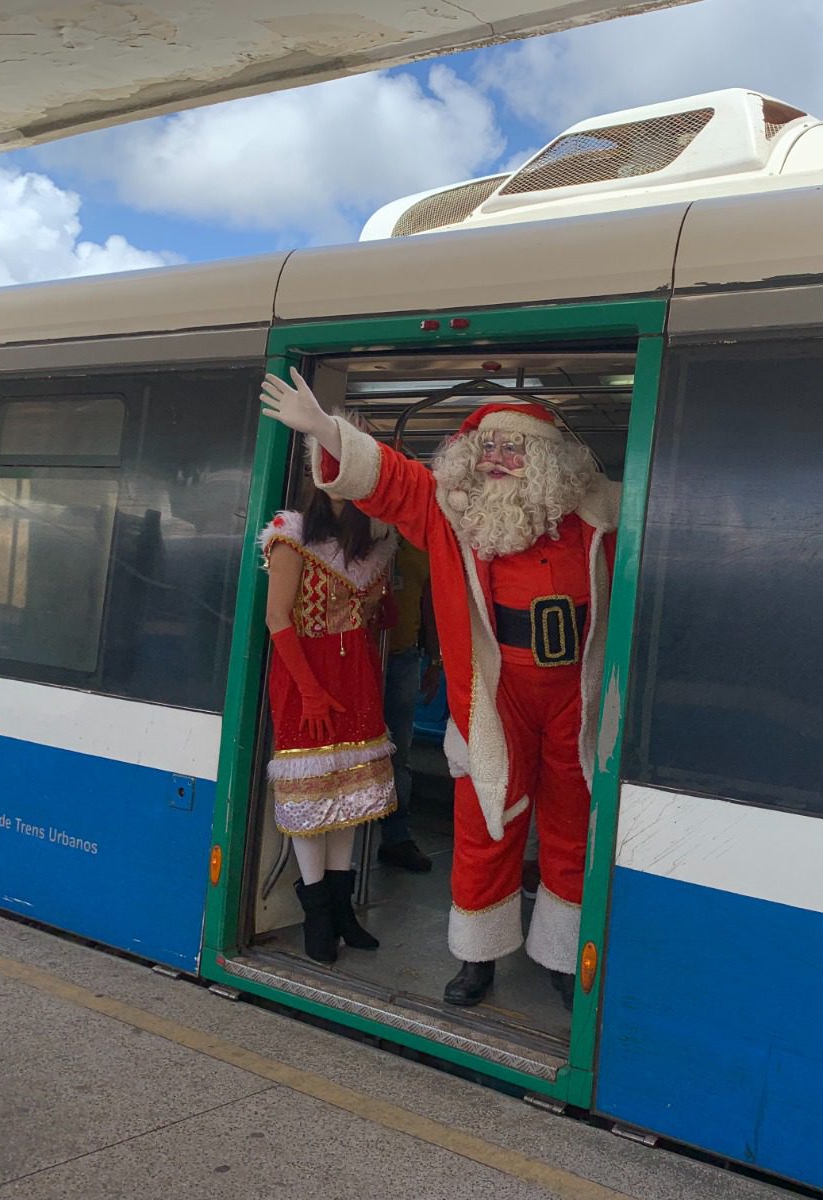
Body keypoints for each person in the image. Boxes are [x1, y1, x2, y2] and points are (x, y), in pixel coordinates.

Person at [260, 369, 617, 1010]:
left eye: (514, 449)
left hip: (577, 697)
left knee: (572, 828)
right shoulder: (453, 515)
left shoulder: (599, 516)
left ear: (545, 461)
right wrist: (326, 432)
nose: (498, 462)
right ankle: (477, 957)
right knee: (485, 822)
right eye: (487, 450)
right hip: (493, 696)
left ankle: (563, 957)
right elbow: (392, 480)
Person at [261, 473, 398, 964]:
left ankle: (341, 911)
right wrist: (311, 692)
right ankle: (318, 914)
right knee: (310, 792)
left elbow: (375, 615)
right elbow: (278, 618)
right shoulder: (290, 534)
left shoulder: (373, 546)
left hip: (355, 672)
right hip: (306, 676)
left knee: (351, 790)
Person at [378, 535, 442, 873]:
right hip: (361, 658)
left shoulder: (421, 546)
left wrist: (435, 660)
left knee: (399, 752)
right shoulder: (366, 540)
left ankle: (396, 836)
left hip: (404, 659)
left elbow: (428, 605)